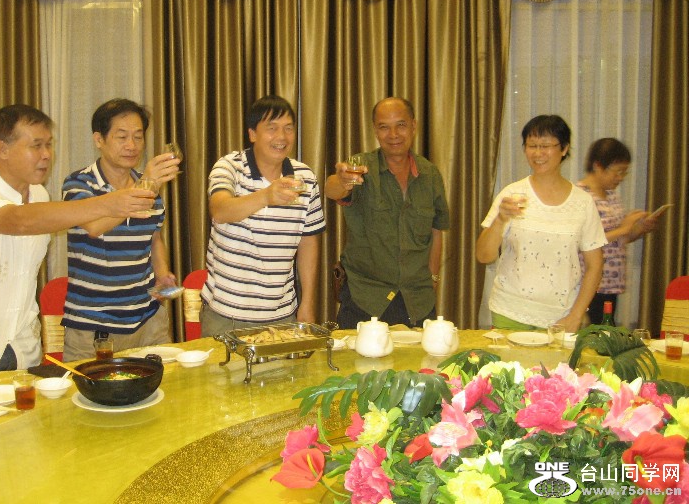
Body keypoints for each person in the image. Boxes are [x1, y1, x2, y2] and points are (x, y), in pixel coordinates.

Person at [0, 105, 155, 391]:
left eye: (48, 144)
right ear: (3, 149)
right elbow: (19, 221)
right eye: (36, 145)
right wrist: (111, 202)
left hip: (22, 347)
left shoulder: (39, 194)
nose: (46, 154)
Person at [61, 98, 181, 361]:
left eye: (138, 137)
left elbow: (154, 236)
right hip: (93, 327)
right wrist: (147, 185)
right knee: (87, 388)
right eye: (122, 137)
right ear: (99, 139)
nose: (132, 146)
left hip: (148, 320)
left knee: (164, 384)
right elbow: (95, 226)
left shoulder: (146, 185)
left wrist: (162, 274)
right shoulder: (79, 183)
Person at [200, 95, 325, 336]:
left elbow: (309, 241)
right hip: (225, 315)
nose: (282, 137)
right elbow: (220, 210)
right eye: (272, 128)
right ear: (252, 134)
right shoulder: (230, 166)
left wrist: (307, 302)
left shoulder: (305, 177)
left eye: (288, 128)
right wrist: (266, 196)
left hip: (282, 314)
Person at [324, 97, 450, 329]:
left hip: (417, 301)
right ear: (375, 130)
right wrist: (342, 180)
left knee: (425, 355)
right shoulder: (361, 167)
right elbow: (332, 189)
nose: (393, 134)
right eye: (384, 127)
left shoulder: (430, 175)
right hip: (366, 298)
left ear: (413, 126)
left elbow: (436, 231)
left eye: (400, 125)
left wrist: (433, 279)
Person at [476, 114, 607, 333]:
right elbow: (483, 256)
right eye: (532, 146)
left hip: (561, 316)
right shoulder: (512, 194)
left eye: (545, 146)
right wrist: (500, 220)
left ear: (564, 149)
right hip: (509, 311)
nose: (538, 153)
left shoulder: (582, 203)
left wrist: (576, 315)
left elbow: (595, 265)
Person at [577, 138, 659, 325]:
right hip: (590, 281)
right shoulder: (580, 195)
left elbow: (619, 238)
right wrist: (624, 228)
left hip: (612, 282)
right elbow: (582, 241)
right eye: (617, 172)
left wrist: (639, 228)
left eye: (624, 172)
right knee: (594, 333)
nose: (620, 178)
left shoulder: (611, 195)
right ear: (598, 166)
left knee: (607, 329)